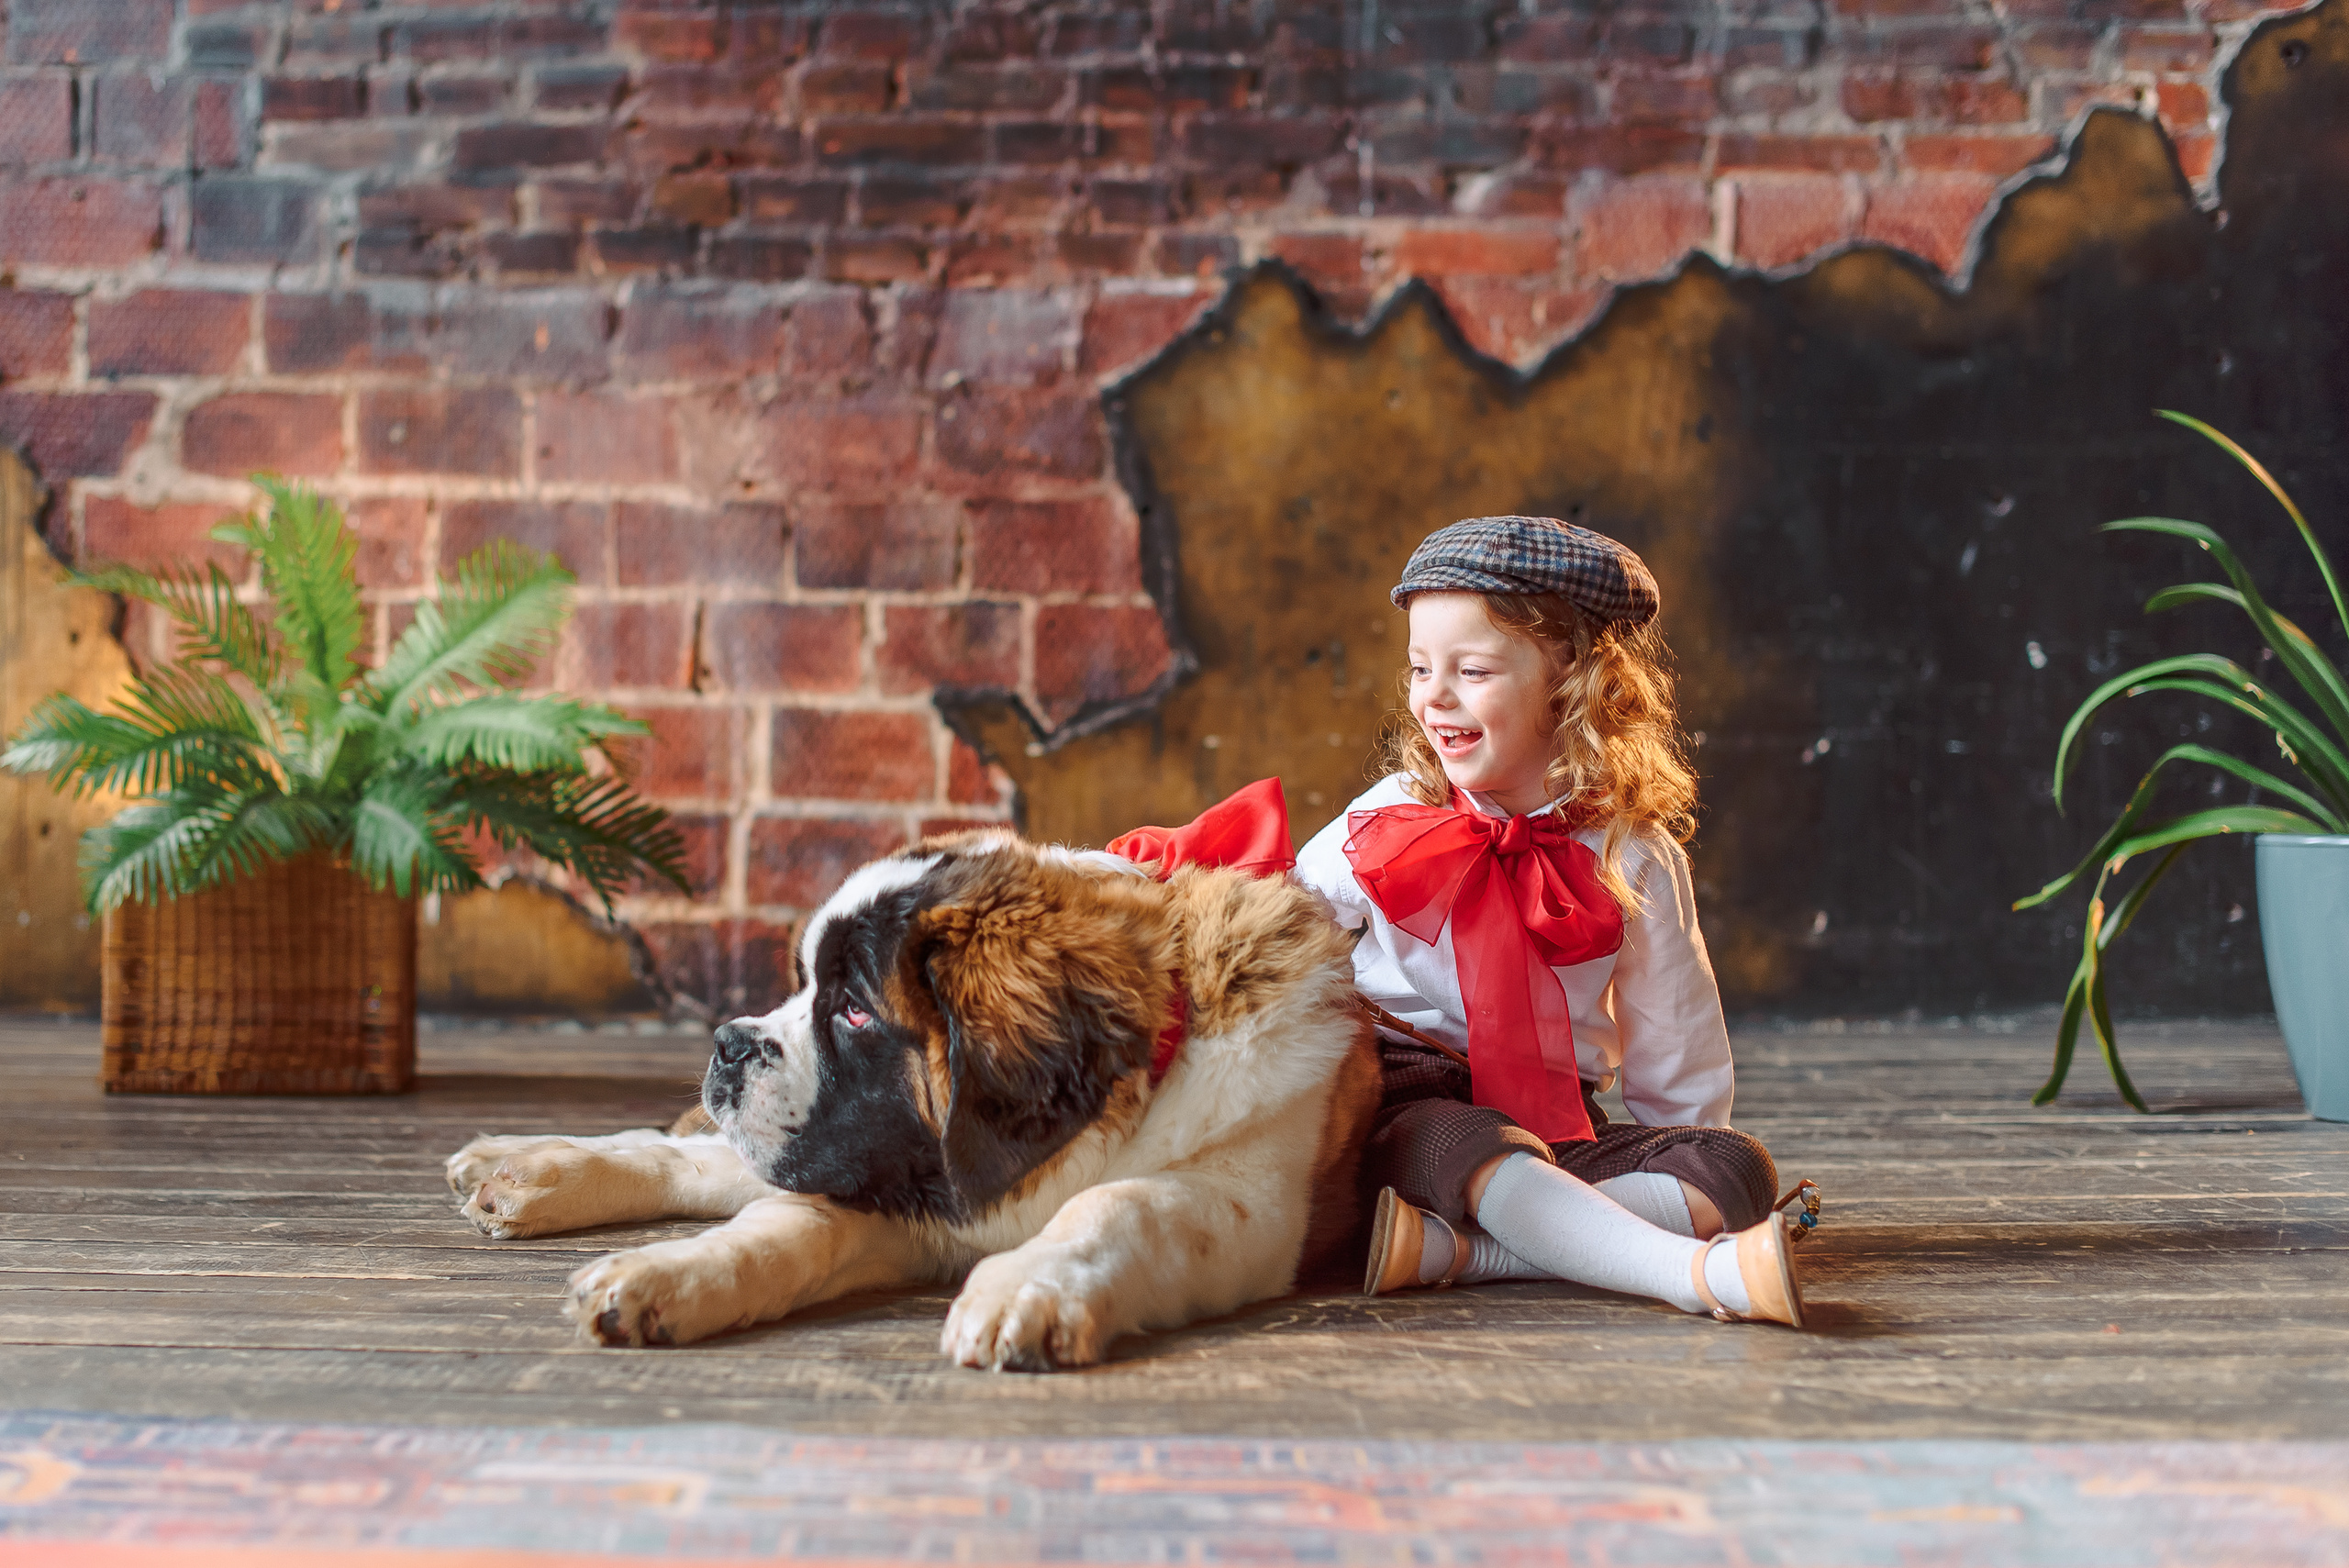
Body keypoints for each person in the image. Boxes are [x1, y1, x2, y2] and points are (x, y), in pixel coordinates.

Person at [1291, 515, 1816, 1328]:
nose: (1435, 696)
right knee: (1466, 1145)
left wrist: (1688, 1146)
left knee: (1735, 1167)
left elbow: (1673, 1024)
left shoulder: (1629, 849)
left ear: (1573, 678)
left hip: (1557, 1118)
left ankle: (1460, 1255)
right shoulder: (1391, 816)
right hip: (1403, 1097)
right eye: (1420, 668)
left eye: (1471, 669)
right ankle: (1693, 1276)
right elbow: (1284, 920)